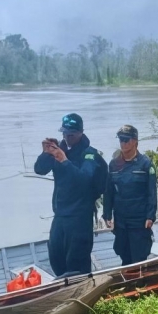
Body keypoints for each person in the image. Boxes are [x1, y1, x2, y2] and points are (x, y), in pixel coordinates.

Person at [34, 113, 106, 277]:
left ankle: (84, 293)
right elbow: (39, 169)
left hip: (80, 216)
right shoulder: (60, 150)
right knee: (56, 256)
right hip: (60, 214)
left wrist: (65, 161)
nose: (67, 137)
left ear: (80, 132)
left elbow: (84, 180)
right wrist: (46, 153)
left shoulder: (90, 154)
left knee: (77, 262)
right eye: (64, 133)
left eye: (71, 134)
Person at [102, 125, 157, 266]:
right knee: (123, 253)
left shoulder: (146, 164)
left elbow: (151, 193)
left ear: (135, 141)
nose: (123, 143)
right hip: (120, 219)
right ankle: (127, 282)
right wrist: (107, 214)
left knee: (139, 256)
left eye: (126, 140)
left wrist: (150, 216)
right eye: (121, 139)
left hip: (139, 220)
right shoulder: (114, 165)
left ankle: (140, 285)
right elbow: (109, 192)